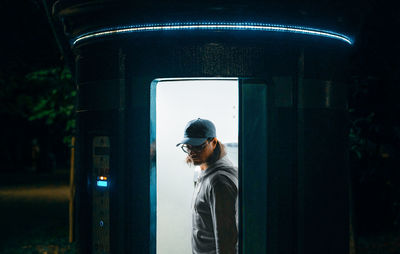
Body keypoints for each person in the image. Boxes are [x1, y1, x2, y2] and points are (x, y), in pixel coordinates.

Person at [177, 118, 238, 254]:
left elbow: (227, 240)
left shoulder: (219, 182)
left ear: (214, 142)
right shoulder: (206, 173)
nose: (192, 152)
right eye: (188, 147)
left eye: (198, 146)